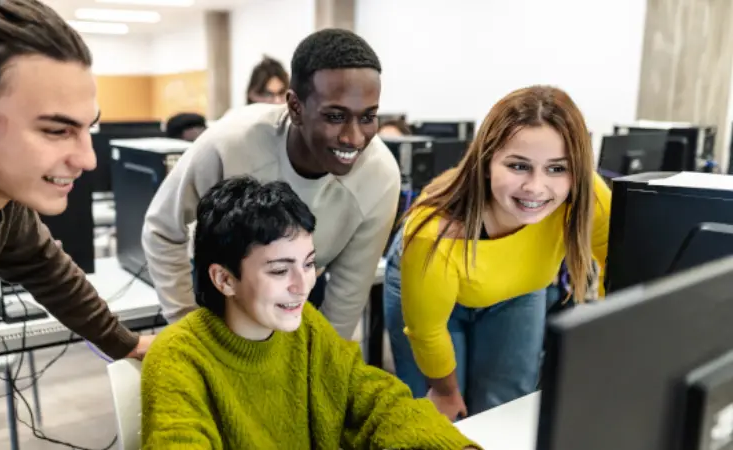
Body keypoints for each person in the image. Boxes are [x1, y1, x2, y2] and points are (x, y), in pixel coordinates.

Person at [140, 176, 481, 450]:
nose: (302, 285)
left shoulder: (307, 328)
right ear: (225, 279)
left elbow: (376, 399)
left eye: (308, 264)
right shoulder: (178, 357)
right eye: (279, 271)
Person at [0, 0, 153, 370]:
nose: (88, 160)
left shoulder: (3, 204)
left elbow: (46, 269)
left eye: (87, 128)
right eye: (56, 130)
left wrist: (125, 344)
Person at [142, 28, 401, 340]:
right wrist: (187, 326)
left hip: (302, 294)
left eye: (368, 117)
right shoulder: (231, 142)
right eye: (335, 116)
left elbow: (347, 296)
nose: (354, 138)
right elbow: (162, 230)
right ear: (295, 108)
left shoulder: (379, 177)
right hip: (220, 295)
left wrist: (320, 359)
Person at [383, 85, 611, 419]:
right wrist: (446, 391)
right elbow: (427, 331)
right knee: (437, 420)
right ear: (487, 161)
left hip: (518, 291)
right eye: (518, 166)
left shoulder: (590, 197)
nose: (535, 187)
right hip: (430, 290)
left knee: (504, 410)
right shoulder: (435, 231)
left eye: (557, 169)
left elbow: (620, 271)